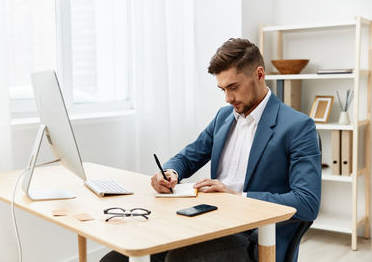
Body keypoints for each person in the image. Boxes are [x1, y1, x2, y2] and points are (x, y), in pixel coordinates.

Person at [101, 38, 321, 262]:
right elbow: (189, 156)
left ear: (259, 74)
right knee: (116, 259)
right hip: (210, 222)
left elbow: (307, 202)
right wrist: (170, 172)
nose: (228, 98)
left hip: (254, 237)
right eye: (222, 89)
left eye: (233, 87)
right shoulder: (223, 118)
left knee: (179, 258)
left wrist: (238, 197)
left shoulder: (298, 127)